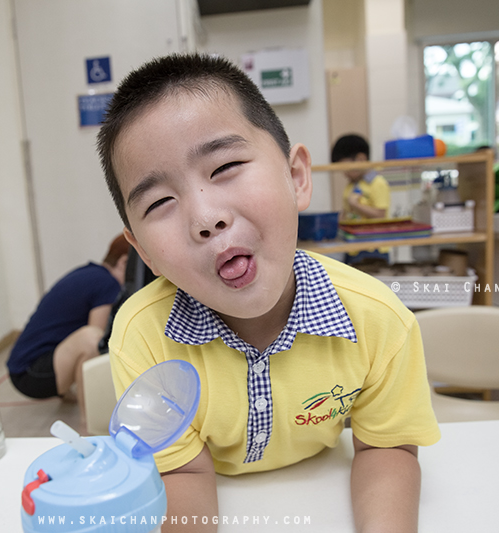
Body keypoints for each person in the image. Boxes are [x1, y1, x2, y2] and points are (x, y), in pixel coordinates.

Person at [96, 53, 440, 533]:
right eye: (159, 202)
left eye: (225, 167)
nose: (205, 218)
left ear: (296, 177)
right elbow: (181, 469)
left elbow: (386, 446)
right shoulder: (143, 336)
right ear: (144, 254)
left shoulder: (378, 318)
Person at [6, 234, 128, 404]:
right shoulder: (107, 283)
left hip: (21, 369)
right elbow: (96, 340)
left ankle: (67, 393)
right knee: (93, 339)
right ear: (124, 262)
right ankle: (87, 422)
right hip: (31, 375)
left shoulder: (90, 273)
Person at [331, 134, 391, 264]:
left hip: (373, 248)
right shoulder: (351, 184)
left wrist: (357, 205)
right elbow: (346, 212)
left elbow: (381, 215)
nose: (344, 173)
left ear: (360, 159)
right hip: (352, 245)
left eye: (345, 168)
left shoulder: (377, 183)